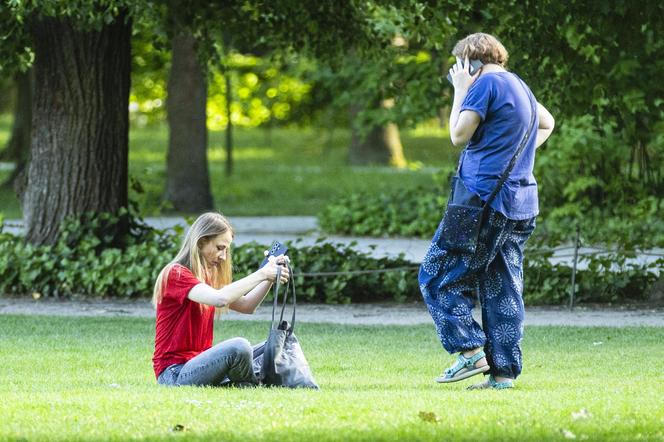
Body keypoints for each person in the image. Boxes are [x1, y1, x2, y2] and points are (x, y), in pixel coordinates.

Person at [418, 33, 555, 390]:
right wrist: (518, 153)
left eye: (460, 65)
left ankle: (469, 352)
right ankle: (503, 374)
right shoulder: (518, 85)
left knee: (436, 273)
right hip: (521, 204)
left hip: (481, 202)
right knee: (502, 286)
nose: (458, 72)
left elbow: (457, 134)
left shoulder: (484, 84)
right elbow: (547, 122)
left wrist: (461, 89)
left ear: (471, 62)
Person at [152, 212, 290, 387]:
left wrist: (269, 278)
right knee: (239, 347)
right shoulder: (176, 274)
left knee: (274, 346)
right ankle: (250, 384)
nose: (224, 256)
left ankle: (245, 380)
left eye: (226, 249)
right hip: (174, 373)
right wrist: (262, 273)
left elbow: (247, 305)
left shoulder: (208, 276)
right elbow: (220, 299)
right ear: (201, 242)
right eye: (220, 248)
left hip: (200, 365)